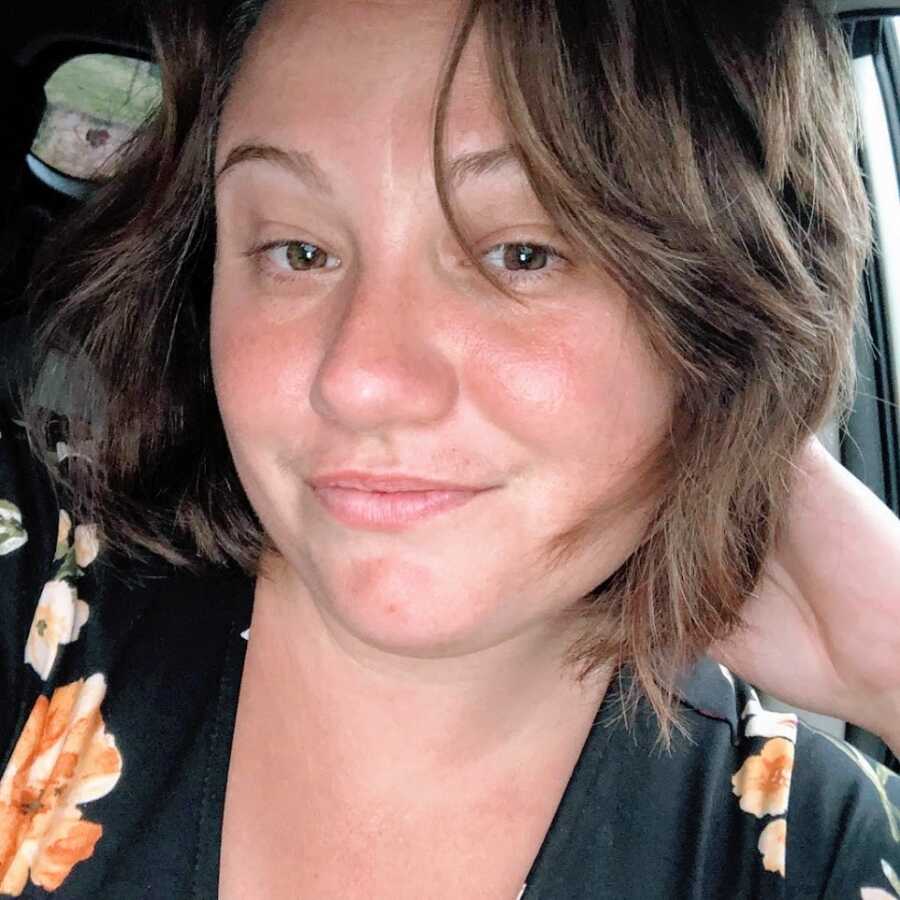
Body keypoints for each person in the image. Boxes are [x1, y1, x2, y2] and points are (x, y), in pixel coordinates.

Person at [1, 0, 899, 896]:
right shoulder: (30, 593)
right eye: (298, 252)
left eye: (522, 253)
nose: (358, 378)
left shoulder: (799, 854)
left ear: (732, 325)